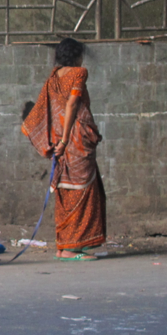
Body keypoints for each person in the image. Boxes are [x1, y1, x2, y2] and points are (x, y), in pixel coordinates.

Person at [21, 38, 106, 260]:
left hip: (60, 141)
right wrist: (66, 139)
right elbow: (71, 104)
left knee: (64, 189)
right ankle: (72, 249)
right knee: (81, 191)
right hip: (75, 141)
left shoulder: (52, 78)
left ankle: (63, 246)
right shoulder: (79, 74)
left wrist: (56, 141)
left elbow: (42, 111)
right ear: (77, 56)